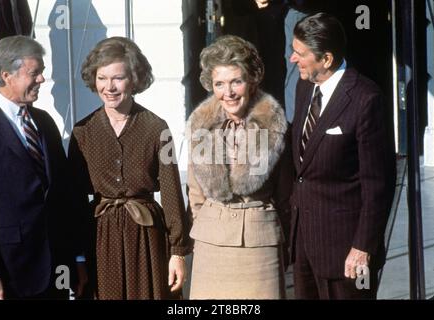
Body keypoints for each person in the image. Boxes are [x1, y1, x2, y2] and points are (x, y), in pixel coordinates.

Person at [68, 36, 190, 300]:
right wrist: (77, 256)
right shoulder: (82, 132)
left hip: (146, 237)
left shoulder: (158, 128)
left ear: (134, 79)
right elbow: (73, 202)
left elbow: (171, 195)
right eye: (102, 78)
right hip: (99, 239)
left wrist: (177, 252)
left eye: (118, 78)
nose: (109, 87)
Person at [289, 13, 396, 299]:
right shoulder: (304, 87)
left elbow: (378, 185)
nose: (292, 59)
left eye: (299, 53)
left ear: (326, 59)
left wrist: (362, 247)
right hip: (305, 249)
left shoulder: (365, 99)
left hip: (347, 254)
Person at [186, 35, 293, 299]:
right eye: (220, 84)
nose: (229, 92)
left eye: (236, 81)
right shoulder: (201, 125)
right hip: (211, 245)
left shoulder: (274, 124)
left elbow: (286, 195)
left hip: (260, 245)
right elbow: (195, 193)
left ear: (252, 80)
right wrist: (208, 224)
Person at [0, 35, 88, 299]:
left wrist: (78, 258)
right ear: (6, 75)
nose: (42, 80)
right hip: (11, 271)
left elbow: (66, 197)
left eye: (42, 72)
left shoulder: (45, 122)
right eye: (34, 73)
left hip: (57, 268)